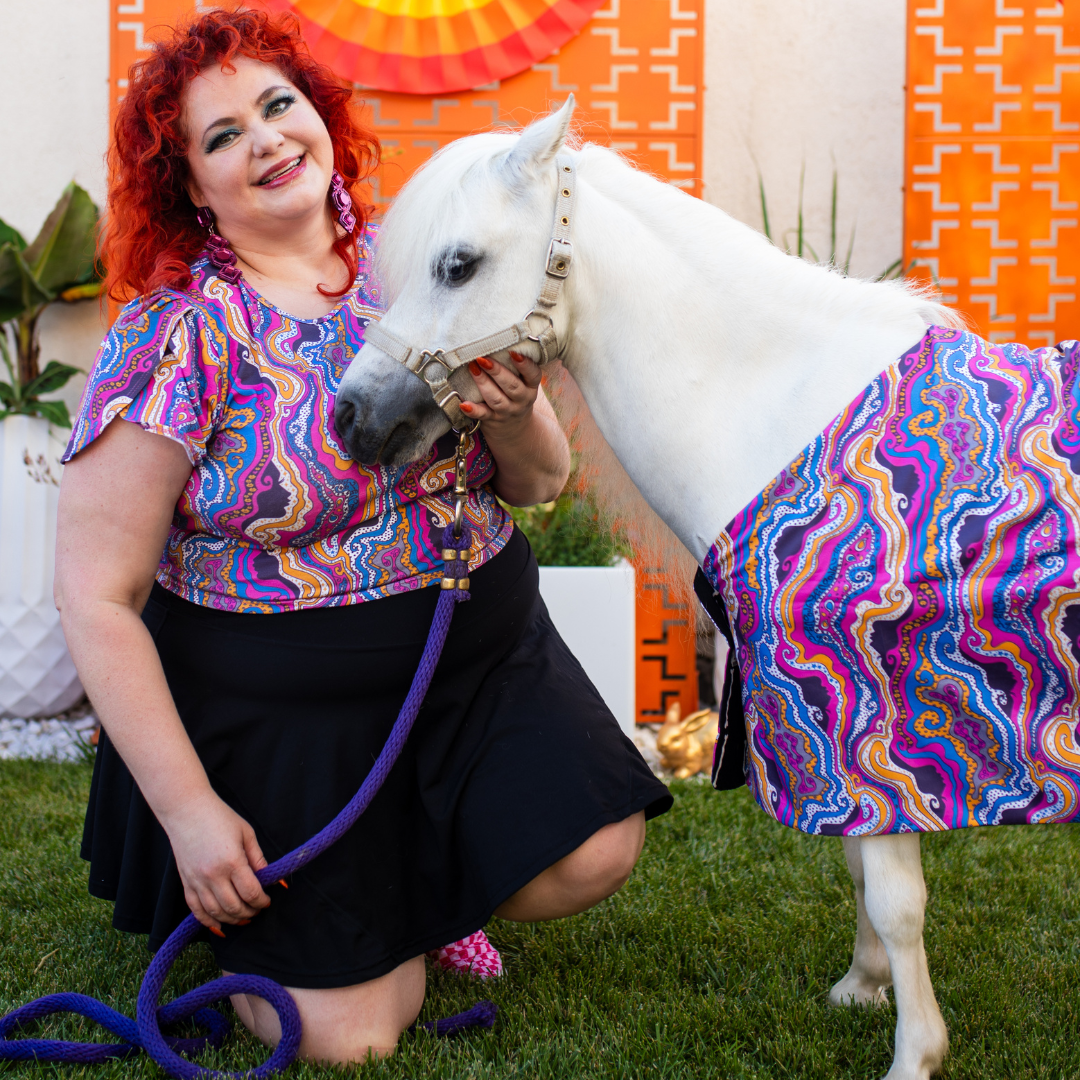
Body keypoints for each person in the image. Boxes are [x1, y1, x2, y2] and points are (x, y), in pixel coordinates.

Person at [54, 8, 672, 1066]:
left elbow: (538, 484)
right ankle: (294, 904)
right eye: (221, 136)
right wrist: (192, 813)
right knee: (347, 1040)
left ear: (321, 117)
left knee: (597, 852)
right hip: (290, 719)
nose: (266, 139)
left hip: (478, 670)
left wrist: (514, 406)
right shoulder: (177, 337)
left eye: (279, 105)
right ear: (190, 187)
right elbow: (96, 597)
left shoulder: (419, 267)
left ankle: (427, 888)